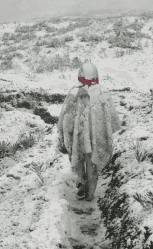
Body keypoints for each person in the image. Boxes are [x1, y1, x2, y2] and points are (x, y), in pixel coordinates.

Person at [57, 61, 121, 201]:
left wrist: (65, 134)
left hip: (78, 139)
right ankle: (90, 195)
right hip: (96, 140)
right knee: (92, 165)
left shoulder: (74, 92)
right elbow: (113, 119)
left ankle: (81, 185)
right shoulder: (102, 92)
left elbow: (64, 118)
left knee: (79, 162)